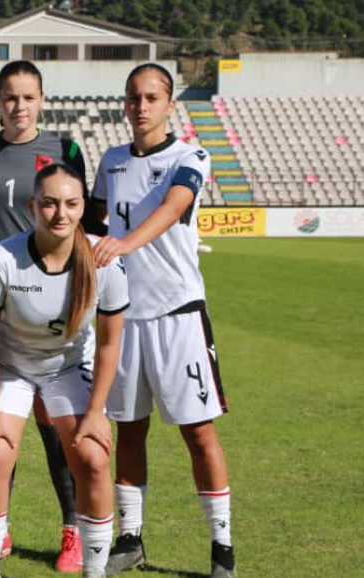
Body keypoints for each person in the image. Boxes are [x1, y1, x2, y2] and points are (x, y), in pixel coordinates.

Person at [89, 62, 235, 578]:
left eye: (152, 97)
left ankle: (222, 549)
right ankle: (130, 539)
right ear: (125, 103)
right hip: (124, 319)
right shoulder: (110, 159)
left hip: (178, 315)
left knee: (198, 433)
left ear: (169, 103)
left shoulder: (190, 155)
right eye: (133, 97)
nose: (142, 105)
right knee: (129, 431)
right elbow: (90, 222)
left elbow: (176, 206)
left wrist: (124, 243)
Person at [0, 164, 128, 578]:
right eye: (50, 203)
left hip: (69, 367)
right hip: (11, 368)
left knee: (93, 457)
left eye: (72, 203)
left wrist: (96, 412)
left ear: (82, 207)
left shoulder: (103, 262)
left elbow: (110, 342)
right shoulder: (1, 259)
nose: (61, 213)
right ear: (32, 205)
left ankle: (94, 569)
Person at [0, 60, 89, 571]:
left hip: (49, 300)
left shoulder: (67, 150)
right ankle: (0, 530)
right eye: (10, 98)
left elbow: (83, 219)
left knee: (54, 426)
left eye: (28, 97)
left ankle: (73, 531)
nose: (19, 106)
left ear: (42, 100)